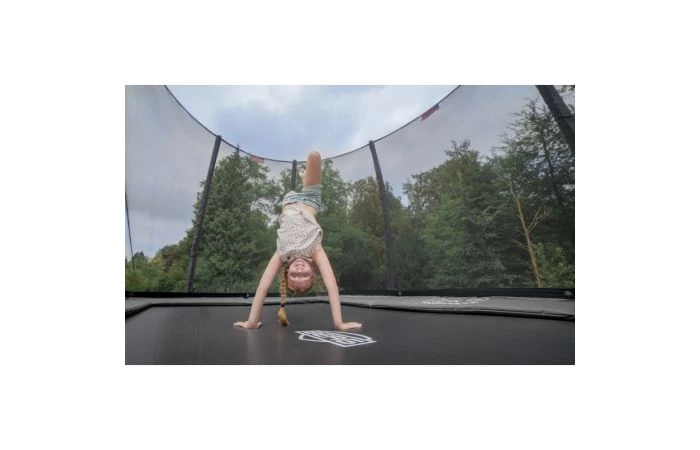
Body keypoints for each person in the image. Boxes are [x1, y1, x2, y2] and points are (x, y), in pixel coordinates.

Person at [234, 151, 362, 331]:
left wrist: (252, 322)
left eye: (295, 275)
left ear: (287, 273)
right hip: (310, 200)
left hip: (289, 201)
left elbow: (262, 287)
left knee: (311, 160)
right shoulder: (315, 251)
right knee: (314, 155)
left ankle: (304, 178)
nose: (300, 271)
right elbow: (332, 286)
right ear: (312, 272)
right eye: (305, 275)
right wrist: (339, 324)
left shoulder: (282, 254)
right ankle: (305, 180)